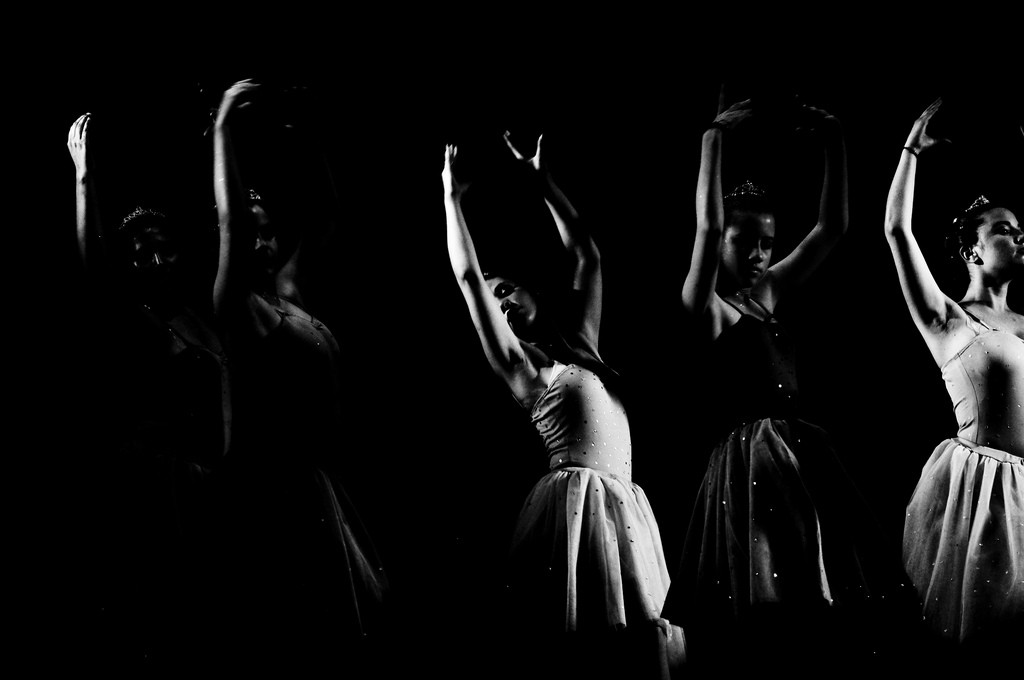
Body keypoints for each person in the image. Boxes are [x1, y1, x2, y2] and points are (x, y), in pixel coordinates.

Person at [662, 93, 908, 671]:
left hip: (800, 454)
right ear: (721, 240)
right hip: (748, 461)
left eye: (766, 243)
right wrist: (713, 136)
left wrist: (833, 137)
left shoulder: (766, 294)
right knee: (762, 590)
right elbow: (706, 222)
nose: (756, 252)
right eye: (743, 240)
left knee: (813, 581)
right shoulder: (710, 306)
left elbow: (833, 227)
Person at [442, 132, 676, 678]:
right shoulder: (523, 370)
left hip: (623, 506)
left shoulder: (582, 346)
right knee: (580, 640)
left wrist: (543, 183)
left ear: (531, 291)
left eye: (508, 292)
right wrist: (451, 199)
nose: (500, 305)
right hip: (572, 506)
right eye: (492, 299)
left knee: (634, 636)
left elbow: (588, 254)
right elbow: (466, 278)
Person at [211, 79, 387, 672]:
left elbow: (328, 214)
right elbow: (232, 225)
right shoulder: (241, 307)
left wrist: (312, 141)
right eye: (250, 230)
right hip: (278, 487)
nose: (260, 239)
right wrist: (224, 132)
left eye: (268, 229)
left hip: (325, 481)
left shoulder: (290, 297)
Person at [67, 112, 231, 671]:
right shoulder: (133, 319)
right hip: (158, 483)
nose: (153, 261)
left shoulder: (206, 317)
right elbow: (95, 271)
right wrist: (85, 180)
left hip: (216, 480)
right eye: (138, 252)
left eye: (163, 248)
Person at [884, 97, 1024, 657]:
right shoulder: (949, 319)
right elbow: (897, 231)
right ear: (971, 247)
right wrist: (912, 150)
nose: (1019, 236)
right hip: (986, 490)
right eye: (1006, 229)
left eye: (1021, 229)